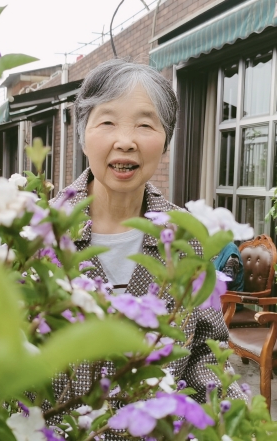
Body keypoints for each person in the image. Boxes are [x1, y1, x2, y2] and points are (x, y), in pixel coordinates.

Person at [49, 59, 245, 426]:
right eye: (107, 122)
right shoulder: (39, 235)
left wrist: (236, 421)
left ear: (166, 138)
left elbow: (206, 352)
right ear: (83, 134)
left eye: (144, 124)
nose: (126, 141)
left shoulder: (186, 239)